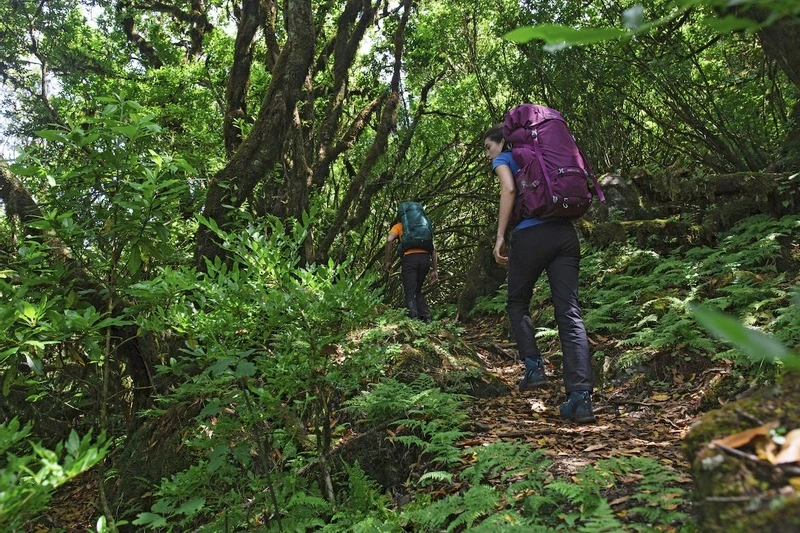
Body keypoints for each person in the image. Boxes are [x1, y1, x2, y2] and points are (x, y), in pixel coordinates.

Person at [483, 124, 596, 424]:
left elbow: (509, 189)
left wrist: (500, 236)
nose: (488, 155)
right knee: (569, 312)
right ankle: (581, 399)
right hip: (565, 235)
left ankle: (534, 368)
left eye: (488, 148)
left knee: (517, 302)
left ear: (502, 141)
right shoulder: (544, 154)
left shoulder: (504, 158)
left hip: (530, 236)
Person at [384, 212, 438, 322]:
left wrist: (387, 261)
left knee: (410, 291)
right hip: (425, 258)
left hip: (410, 259)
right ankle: (426, 318)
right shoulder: (423, 226)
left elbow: (389, 240)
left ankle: (413, 320)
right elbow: (433, 249)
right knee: (417, 290)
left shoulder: (399, 226)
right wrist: (435, 270)